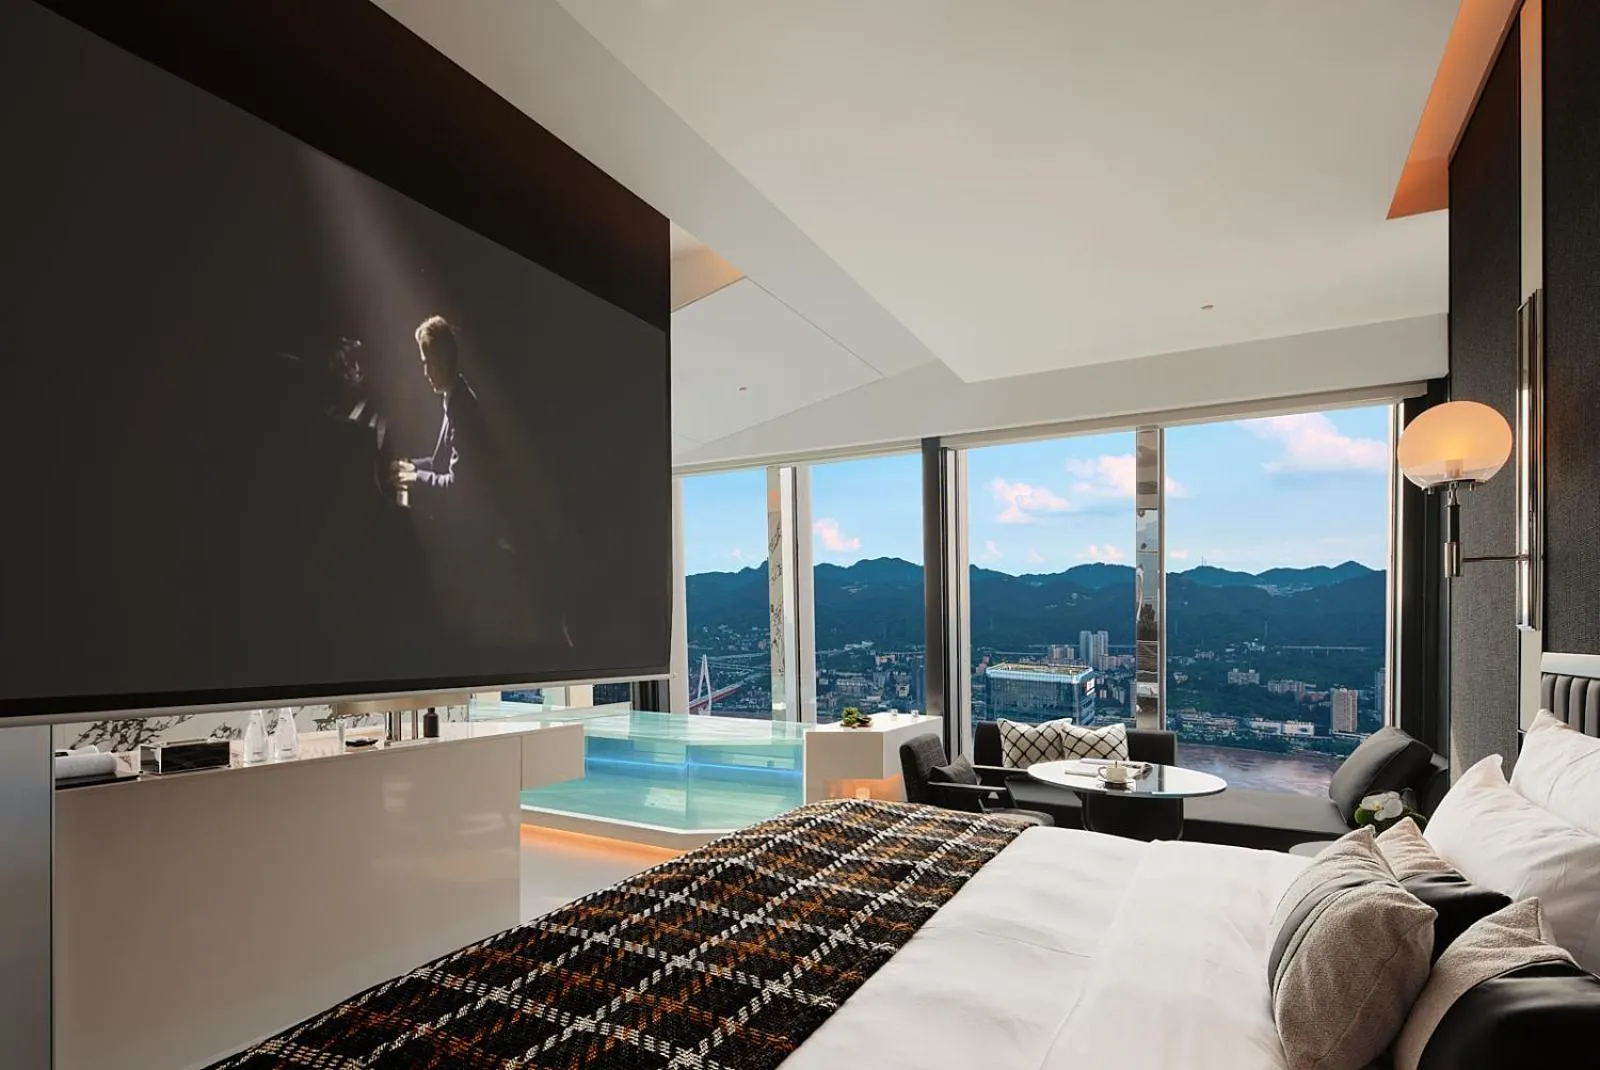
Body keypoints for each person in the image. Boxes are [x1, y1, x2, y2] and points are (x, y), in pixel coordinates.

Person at [388, 316, 490, 507]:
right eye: (424, 363)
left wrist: (416, 478)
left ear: (444, 360)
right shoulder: (454, 395)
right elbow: (441, 463)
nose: (426, 373)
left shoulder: (462, 409)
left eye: (429, 363)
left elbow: (457, 486)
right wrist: (411, 466)